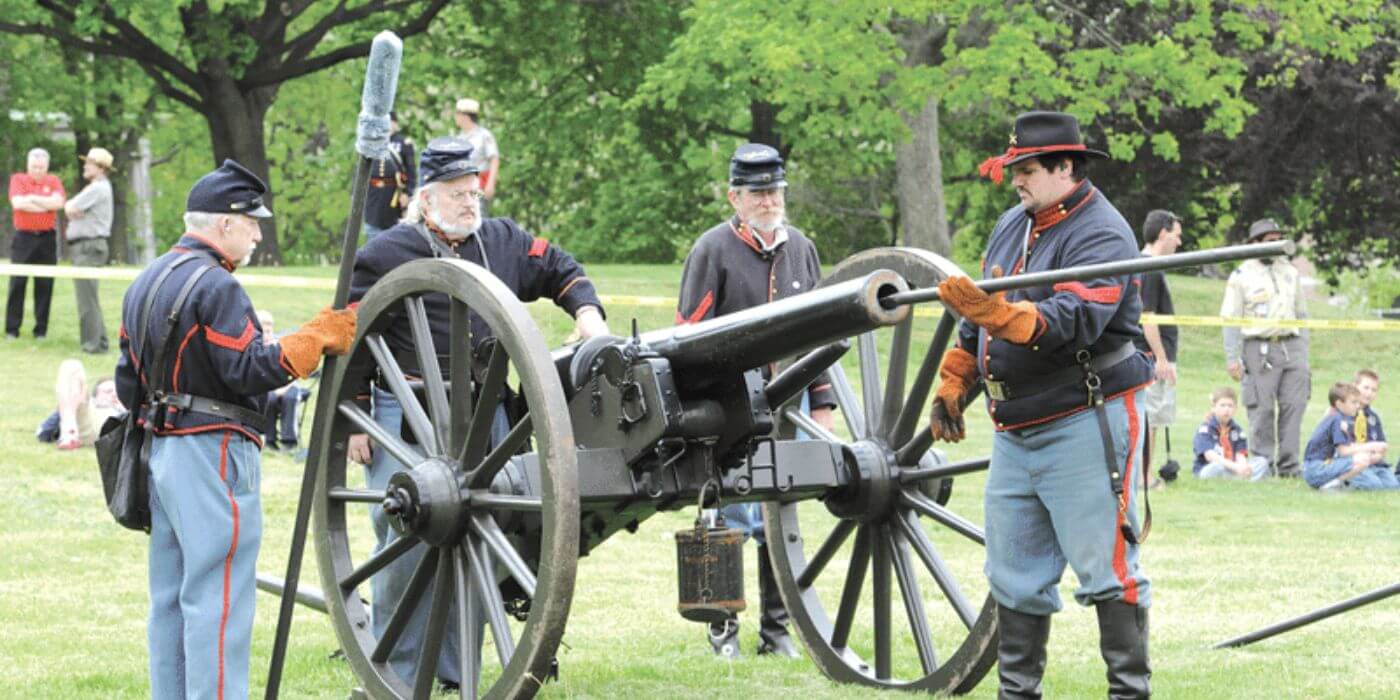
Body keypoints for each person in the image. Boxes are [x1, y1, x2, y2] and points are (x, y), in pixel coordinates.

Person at [345, 136, 608, 688]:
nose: (470, 203)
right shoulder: (387, 253)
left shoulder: (502, 240)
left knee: (485, 538)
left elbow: (559, 267)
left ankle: (454, 670)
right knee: (406, 537)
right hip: (409, 412)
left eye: (474, 191)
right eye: (457, 193)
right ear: (426, 198)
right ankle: (397, 666)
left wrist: (588, 315)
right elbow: (349, 337)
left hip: (482, 410)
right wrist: (354, 419)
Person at [930, 111, 1154, 698]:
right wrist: (956, 378)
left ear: (1065, 167)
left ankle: (1128, 694)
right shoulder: (1013, 223)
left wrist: (990, 314)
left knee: (1107, 571)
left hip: (1085, 416)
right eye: (1014, 170)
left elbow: (1073, 318)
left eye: (1026, 170)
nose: (1016, 181)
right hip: (1015, 428)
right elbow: (979, 316)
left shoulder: (1104, 232)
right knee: (1015, 578)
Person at [115, 159, 356, 699]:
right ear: (224, 223)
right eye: (252, 223)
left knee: (172, 601)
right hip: (212, 451)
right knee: (220, 601)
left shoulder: (145, 281)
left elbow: (128, 380)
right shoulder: (217, 286)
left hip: (160, 451)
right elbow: (249, 368)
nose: (257, 233)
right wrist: (313, 338)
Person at [676, 142, 837, 659]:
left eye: (775, 191)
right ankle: (723, 630)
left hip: (785, 410)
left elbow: (818, 337)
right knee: (732, 520)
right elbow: (688, 337)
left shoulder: (802, 249)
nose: (769, 201)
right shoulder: (712, 249)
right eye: (758, 193)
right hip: (727, 412)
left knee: (779, 522)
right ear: (735, 198)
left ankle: (778, 631)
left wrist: (824, 407)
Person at [1221, 218, 1310, 478]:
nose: (1277, 245)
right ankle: (1263, 465)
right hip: (1258, 348)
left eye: (1279, 239)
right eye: (1271, 241)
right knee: (1262, 408)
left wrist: (1303, 349)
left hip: (1291, 346)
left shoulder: (1290, 272)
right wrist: (1232, 357)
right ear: (1256, 243)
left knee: (1295, 405)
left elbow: (1301, 313)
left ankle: (1290, 466)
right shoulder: (1241, 275)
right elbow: (1230, 319)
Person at [1134, 210, 1181, 473]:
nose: (1179, 242)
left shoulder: (1146, 266)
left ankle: (1145, 474)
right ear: (1163, 233)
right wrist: (1161, 359)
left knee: (1151, 418)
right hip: (1152, 359)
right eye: (1177, 235)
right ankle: (1145, 477)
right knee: (1148, 419)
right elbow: (1147, 317)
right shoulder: (1148, 268)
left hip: (1151, 356)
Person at [7, 147, 66, 339]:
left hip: (47, 238)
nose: (38, 170)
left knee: (45, 284)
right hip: (23, 237)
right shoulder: (18, 179)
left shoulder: (54, 181)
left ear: (47, 166)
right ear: (28, 165)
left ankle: (41, 330)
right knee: (17, 283)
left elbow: (58, 204)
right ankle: (12, 329)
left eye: (41, 167)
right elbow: (18, 204)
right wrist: (44, 204)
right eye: (34, 166)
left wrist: (31, 198)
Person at [63, 147, 116, 353]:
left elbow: (70, 206)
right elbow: (70, 208)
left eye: (90, 163)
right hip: (89, 246)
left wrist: (71, 207)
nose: (85, 166)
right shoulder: (98, 187)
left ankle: (92, 345)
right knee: (90, 297)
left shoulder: (97, 188)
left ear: (101, 168)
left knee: (86, 300)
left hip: (88, 246)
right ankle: (100, 341)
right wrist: (71, 208)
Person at [1301, 382, 1397, 490]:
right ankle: (1331, 486)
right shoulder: (1336, 420)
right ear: (1339, 404)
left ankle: (1332, 485)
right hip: (1316, 469)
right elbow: (1343, 451)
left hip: (1318, 468)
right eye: (1353, 402)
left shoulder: (1337, 418)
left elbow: (1348, 446)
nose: (1357, 405)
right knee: (1362, 459)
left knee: (1363, 460)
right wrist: (1371, 446)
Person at [36, 359, 122, 449]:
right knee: (71, 366)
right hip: (92, 426)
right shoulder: (91, 408)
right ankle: (69, 432)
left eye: (118, 392)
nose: (114, 395)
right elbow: (44, 432)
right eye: (108, 392)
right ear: (95, 398)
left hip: (124, 425)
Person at [256, 310, 310, 451]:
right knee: (270, 399)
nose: (266, 335)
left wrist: (283, 389)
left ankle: (289, 439)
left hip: (289, 384)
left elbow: (292, 372)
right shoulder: (257, 349)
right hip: (270, 388)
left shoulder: (279, 346)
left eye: (268, 331)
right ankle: (270, 438)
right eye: (262, 332)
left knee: (291, 397)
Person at [1191, 387, 1270, 480]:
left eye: (1230, 406)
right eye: (1222, 405)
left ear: (1235, 409)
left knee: (1262, 462)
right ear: (1213, 407)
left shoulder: (1237, 430)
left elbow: (1240, 455)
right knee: (1216, 468)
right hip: (1213, 467)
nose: (1226, 409)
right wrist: (1236, 467)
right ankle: (1243, 479)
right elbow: (1210, 456)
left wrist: (1243, 467)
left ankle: (1241, 478)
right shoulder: (1205, 429)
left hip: (1232, 469)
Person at [363, 111, 417, 239]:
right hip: (373, 196)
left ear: (394, 123)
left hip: (394, 195)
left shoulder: (404, 143)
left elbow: (411, 172)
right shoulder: (372, 142)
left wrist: (407, 193)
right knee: (372, 232)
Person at [454, 98, 500, 217]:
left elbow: (494, 159)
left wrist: (491, 183)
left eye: (457, 114)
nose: (456, 117)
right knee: (463, 217)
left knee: (479, 214)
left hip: (479, 184)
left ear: (465, 116)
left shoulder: (484, 135)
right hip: (463, 184)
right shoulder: (459, 139)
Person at [1350, 369, 1392, 474]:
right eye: (1366, 388)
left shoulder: (1373, 417)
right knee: (1372, 483)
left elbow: (1382, 446)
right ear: (1354, 386)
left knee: (1392, 484)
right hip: (1353, 463)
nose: (1369, 393)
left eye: (1374, 390)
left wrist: (1375, 457)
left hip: (1374, 463)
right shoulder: (1345, 413)